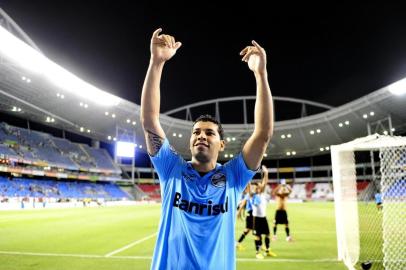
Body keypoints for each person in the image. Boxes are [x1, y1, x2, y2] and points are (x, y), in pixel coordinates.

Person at [141, 28, 274, 270]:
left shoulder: (233, 176)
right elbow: (150, 121)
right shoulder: (171, 168)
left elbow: (263, 134)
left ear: (222, 144)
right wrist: (156, 62)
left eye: (210, 133)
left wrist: (260, 74)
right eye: (196, 132)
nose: (201, 135)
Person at [251, 165, 276, 259]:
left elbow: (265, 183)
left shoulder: (262, 194)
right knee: (257, 236)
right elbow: (262, 184)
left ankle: (267, 250)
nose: (260, 186)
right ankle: (257, 252)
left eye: (260, 185)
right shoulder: (252, 195)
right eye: (258, 186)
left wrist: (266, 173)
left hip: (263, 218)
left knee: (267, 234)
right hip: (256, 218)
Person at [236, 183, 253, 250]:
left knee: (248, 230)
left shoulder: (249, 195)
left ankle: (238, 243)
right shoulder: (248, 195)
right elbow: (242, 205)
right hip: (250, 214)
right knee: (252, 230)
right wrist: (239, 213)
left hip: (252, 214)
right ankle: (260, 246)